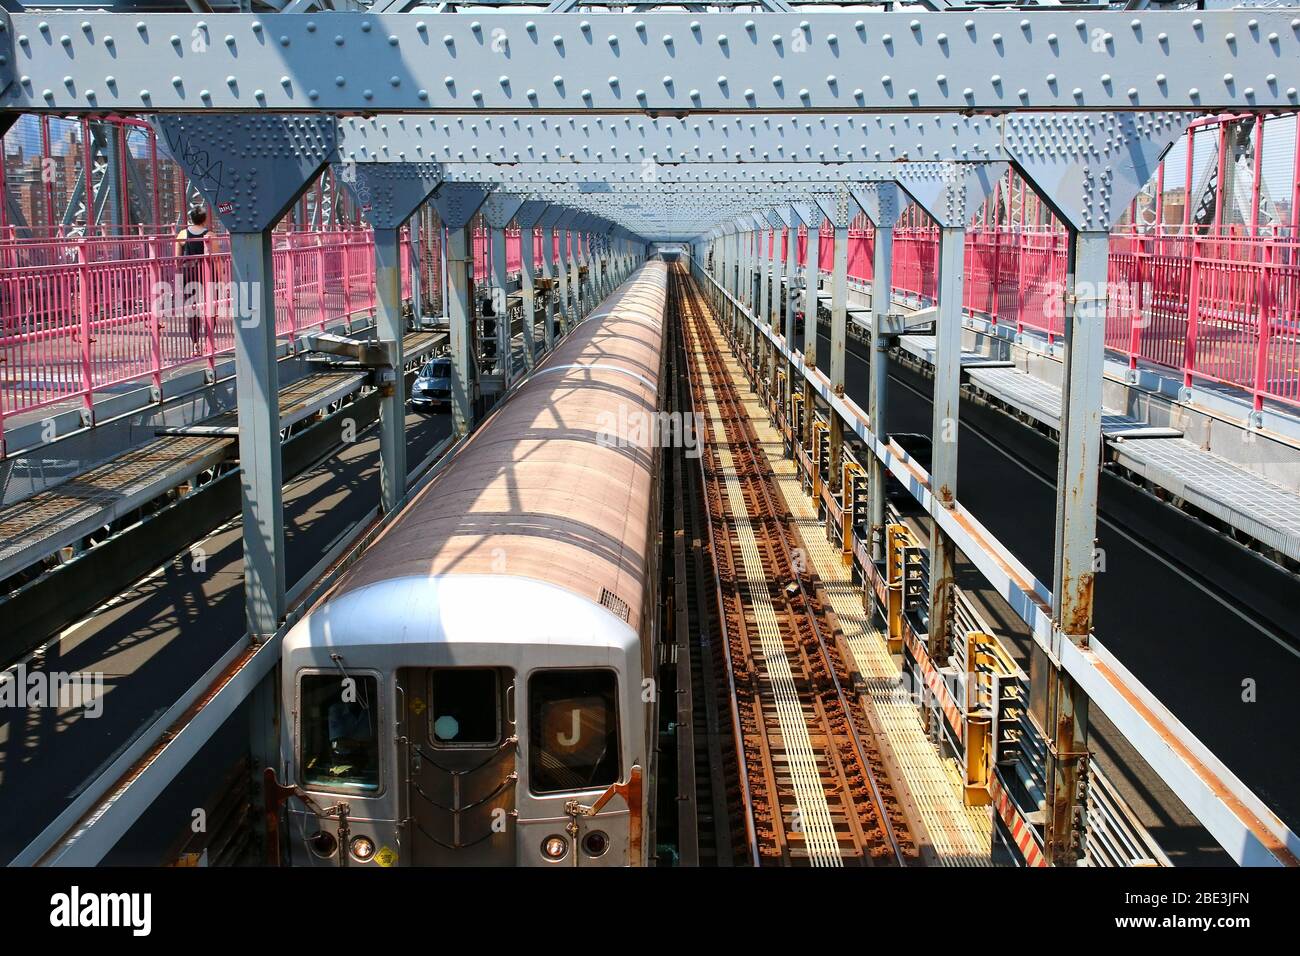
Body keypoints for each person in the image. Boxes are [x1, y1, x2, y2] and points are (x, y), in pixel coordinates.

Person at [174, 207, 210, 356]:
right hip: (206, 274)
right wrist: (221, 276)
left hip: (188, 273)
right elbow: (216, 258)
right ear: (204, 219)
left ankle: (195, 344)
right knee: (210, 308)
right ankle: (209, 342)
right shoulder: (209, 234)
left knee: (192, 309)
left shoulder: (182, 234)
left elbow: (177, 259)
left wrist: (178, 276)